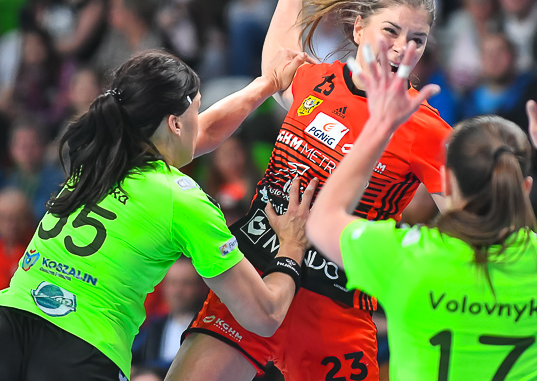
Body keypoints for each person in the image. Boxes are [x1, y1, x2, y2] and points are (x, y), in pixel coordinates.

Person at [169, 0, 452, 381]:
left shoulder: (425, 126)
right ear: (358, 29)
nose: (404, 48)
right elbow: (276, 62)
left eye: (417, 40)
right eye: (391, 31)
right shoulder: (320, 81)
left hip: (334, 306)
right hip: (254, 277)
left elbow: (470, 220)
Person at [304, 51, 537, 379]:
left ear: (446, 182)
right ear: (525, 188)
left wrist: (380, 127)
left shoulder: (405, 256)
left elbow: (322, 221)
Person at [0, 48, 318, 380]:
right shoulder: (181, 200)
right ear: (175, 123)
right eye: (196, 110)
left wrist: (267, 84)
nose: (199, 121)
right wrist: (292, 244)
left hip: (10, 322)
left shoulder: (96, 156)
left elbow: (201, 133)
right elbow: (264, 316)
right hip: (80, 351)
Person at [131, 257, 209, 372]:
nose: (177, 291)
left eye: (186, 283)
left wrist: (154, 372)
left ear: (200, 287)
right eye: (172, 283)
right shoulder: (154, 326)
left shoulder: (208, 329)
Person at [461, 32, 537, 130]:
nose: (494, 59)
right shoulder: (468, 100)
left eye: (500, 52)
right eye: (488, 53)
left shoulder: (531, 93)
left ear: (513, 55)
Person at [1, 118, 64, 220]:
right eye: (22, 146)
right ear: (11, 149)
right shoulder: (7, 182)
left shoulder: (59, 182)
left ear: (44, 146)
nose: (27, 151)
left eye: (32, 145)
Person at [92, 0, 163, 75]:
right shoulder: (115, 36)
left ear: (132, 12)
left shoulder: (154, 46)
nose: (109, 12)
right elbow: (98, 68)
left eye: (114, 7)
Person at [0, 189, 34, 289]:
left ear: (29, 219)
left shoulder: (37, 248)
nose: (11, 225)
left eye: (17, 218)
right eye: (5, 218)